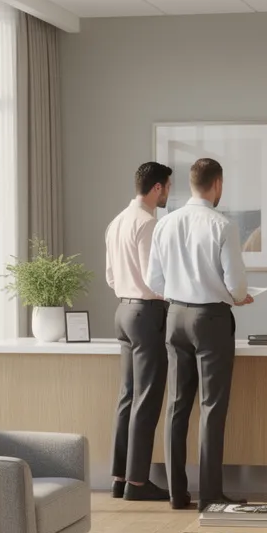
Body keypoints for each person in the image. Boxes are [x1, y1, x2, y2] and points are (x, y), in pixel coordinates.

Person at [146, 158, 254, 510]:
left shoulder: (165, 223)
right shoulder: (223, 225)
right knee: (211, 407)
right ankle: (209, 494)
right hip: (211, 320)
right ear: (217, 184)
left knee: (176, 406)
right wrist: (239, 297)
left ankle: (177, 493)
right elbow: (236, 285)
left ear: (191, 184)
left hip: (174, 316)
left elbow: (153, 281)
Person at [105, 162, 173, 502]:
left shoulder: (117, 221)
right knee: (146, 397)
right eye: (168, 187)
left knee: (128, 396)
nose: (168, 193)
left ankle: (120, 478)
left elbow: (111, 276)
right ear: (157, 188)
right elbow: (153, 279)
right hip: (146, 314)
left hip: (123, 311)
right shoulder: (148, 224)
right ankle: (139, 483)